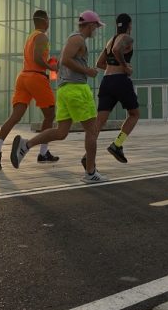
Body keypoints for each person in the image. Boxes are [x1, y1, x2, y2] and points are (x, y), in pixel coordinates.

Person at [10, 10, 108, 183]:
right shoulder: (77, 39)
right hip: (76, 89)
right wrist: (88, 71)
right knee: (92, 131)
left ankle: (26, 145)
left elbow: (67, 60)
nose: (97, 30)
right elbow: (65, 60)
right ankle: (91, 173)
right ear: (91, 25)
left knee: (61, 132)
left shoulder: (76, 39)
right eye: (97, 26)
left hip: (65, 90)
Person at [0, 9, 59, 170]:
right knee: (50, 114)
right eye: (48, 20)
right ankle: (43, 152)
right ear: (45, 21)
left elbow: (32, 57)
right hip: (36, 77)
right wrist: (51, 66)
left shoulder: (31, 37)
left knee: (15, 116)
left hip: (23, 77)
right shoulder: (42, 36)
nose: (49, 23)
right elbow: (37, 58)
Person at [94, 13, 138, 164]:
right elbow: (117, 50)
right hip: (120, 81)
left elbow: (99, 63)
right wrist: (125, 67)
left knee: (99, 122)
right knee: (134, 114)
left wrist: (113, 67)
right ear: (129, 25)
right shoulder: (126, 38)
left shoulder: (110, 41)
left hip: (106, 81)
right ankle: (117, 144)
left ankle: (88, 156)